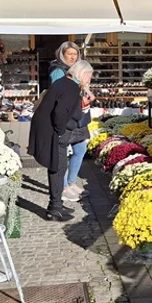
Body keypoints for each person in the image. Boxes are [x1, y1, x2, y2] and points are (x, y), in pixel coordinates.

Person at [29, 60, 94, 221]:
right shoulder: (71, 87)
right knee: (57, 167)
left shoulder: (65, 83)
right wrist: (60, 132)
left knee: (58, 166)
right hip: (53, 132)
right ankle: (54, 208)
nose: (89, 81)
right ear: (83, 74)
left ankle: (56, 204)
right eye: (89, 77)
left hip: (49, 130)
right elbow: (60, 114)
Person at [47, 42, 92, 199]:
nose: (73, 57)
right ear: (62, 54)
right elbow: (60, 94)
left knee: (80, 149)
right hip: (66, 118)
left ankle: (71, 183)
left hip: (78, 117)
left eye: (75, 54)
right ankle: (63, 187)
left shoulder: (77, 69)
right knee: (62, 153)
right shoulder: (58, 71)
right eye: (69, 54)